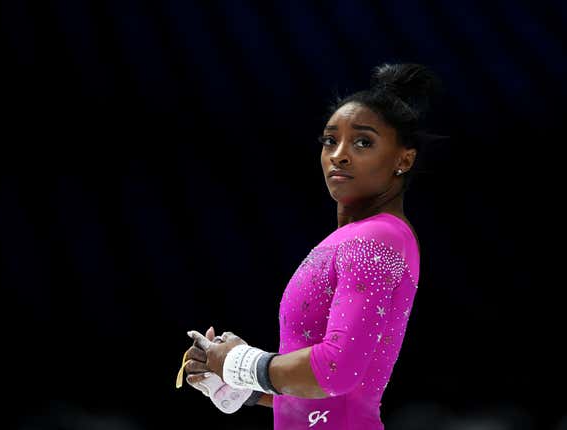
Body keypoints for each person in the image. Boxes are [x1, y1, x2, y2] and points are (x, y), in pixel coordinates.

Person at [179, 62, 445, 429]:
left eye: (363, 142)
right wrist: (240, 384)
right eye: (330, 140)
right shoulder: (355, 238)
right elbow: (337, 399)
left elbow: (336, 370)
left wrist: (242, 362)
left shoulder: (378, 238)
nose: (339, 154)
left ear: (404, 159)